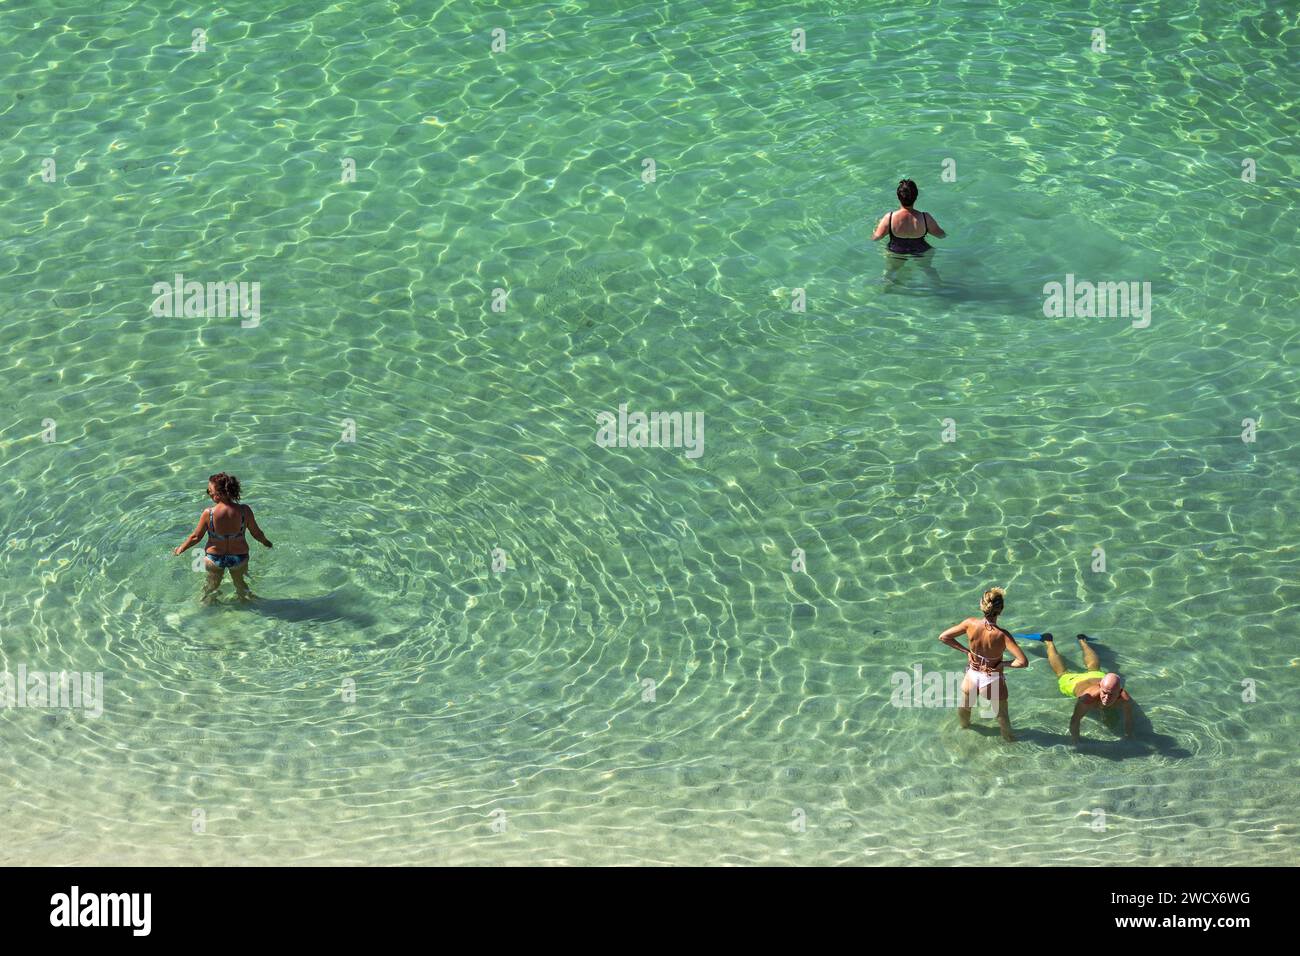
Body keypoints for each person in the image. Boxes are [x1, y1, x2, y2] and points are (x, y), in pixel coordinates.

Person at [938, 587, 1028, 741]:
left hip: (972, 675)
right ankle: (1009, 741)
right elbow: (1023, 662)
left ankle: (964, 729)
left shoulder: (970, 623)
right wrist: (1003, 664)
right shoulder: (1002, 635)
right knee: (1001, 715)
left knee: (965, 707)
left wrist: (967, 652)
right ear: (1001, 610)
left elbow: (944, 637)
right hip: (991, 678)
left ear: (982, 604)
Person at [173, 472, 272, 602]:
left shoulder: (209, 513)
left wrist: (181, 548)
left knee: (211, 586)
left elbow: (195, 537)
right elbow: (256, 533)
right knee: (240, 584)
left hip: (214, 558)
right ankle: (246, 604)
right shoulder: (244, 511)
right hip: (239, 557)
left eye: (209, 491)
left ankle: (207, 608)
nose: (209, 494)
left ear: (218, 493)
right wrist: (266, 542)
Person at [1039, 633, 1133, 742]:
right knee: (1061, 672)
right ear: (1100, 686)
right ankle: (1048, 642)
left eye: (1111, 694)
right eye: (1104, 693)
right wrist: (1076, 741)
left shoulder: (1124, 697)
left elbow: (1129, 719)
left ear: (1120, 691)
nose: (1106, 697)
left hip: (1097, 677)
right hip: (1072, 682)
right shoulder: (1087, 699)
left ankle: (1082, 641)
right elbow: (1075, 720)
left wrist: (1129, 736)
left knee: (1094, 668)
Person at [871, 179, 946, 255]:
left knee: (893, 267)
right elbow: (941, 235)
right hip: (921, 249)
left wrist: (876, 227)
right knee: (926, 267)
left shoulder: (889, 218)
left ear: (898, 197)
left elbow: (875, 238)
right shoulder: (925, 218)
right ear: (916, 197)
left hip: (896, 249)